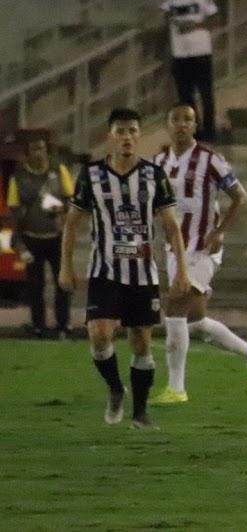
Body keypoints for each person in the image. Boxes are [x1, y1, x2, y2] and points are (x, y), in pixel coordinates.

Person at [59, 108, 191, 429]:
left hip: (142, 272)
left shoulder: (154, 175)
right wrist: (66, 267)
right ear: (110, 136)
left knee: (141, 343)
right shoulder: (91, 175)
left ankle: (140, 414)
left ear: (139, 135)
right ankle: (116, 388)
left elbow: (172, 227)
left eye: (133, 131)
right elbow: (71, 224)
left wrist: (181, 270)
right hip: (104, 270)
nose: (127, 137)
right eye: (121, 131)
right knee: (99, 335)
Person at [150, 103, 247, 405]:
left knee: (175, 308)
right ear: (167, 125)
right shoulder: (159, 162)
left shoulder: (210, 159)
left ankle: (176, 388)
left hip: (203, 246)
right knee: (195, 322)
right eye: (176, 119)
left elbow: (240, 196)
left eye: (188, 119)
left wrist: (220, 231)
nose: (181, 124)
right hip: (175, 248)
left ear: (195, 125)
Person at [6, 136, 74, 338]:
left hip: (56, 238)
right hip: (31, 238)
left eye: (42, 149)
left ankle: (63, 325)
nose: (39, 153)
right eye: (35, 149)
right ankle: (38, 327)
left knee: (63, 283)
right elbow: (14, 212)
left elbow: (71, 201)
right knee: (35, 286)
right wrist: (21, 245)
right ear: (28, 154)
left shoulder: (59, 171)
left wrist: (58, 208)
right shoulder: (18, 178)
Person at [160, 0, 219, 141]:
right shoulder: (169, 3)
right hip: (180, 55)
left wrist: (195, 26)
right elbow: (161, 18)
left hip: (201, 52)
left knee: (205, 93)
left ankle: (210, 130)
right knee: (186, 96)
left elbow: (215, 19)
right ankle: (195, 130)